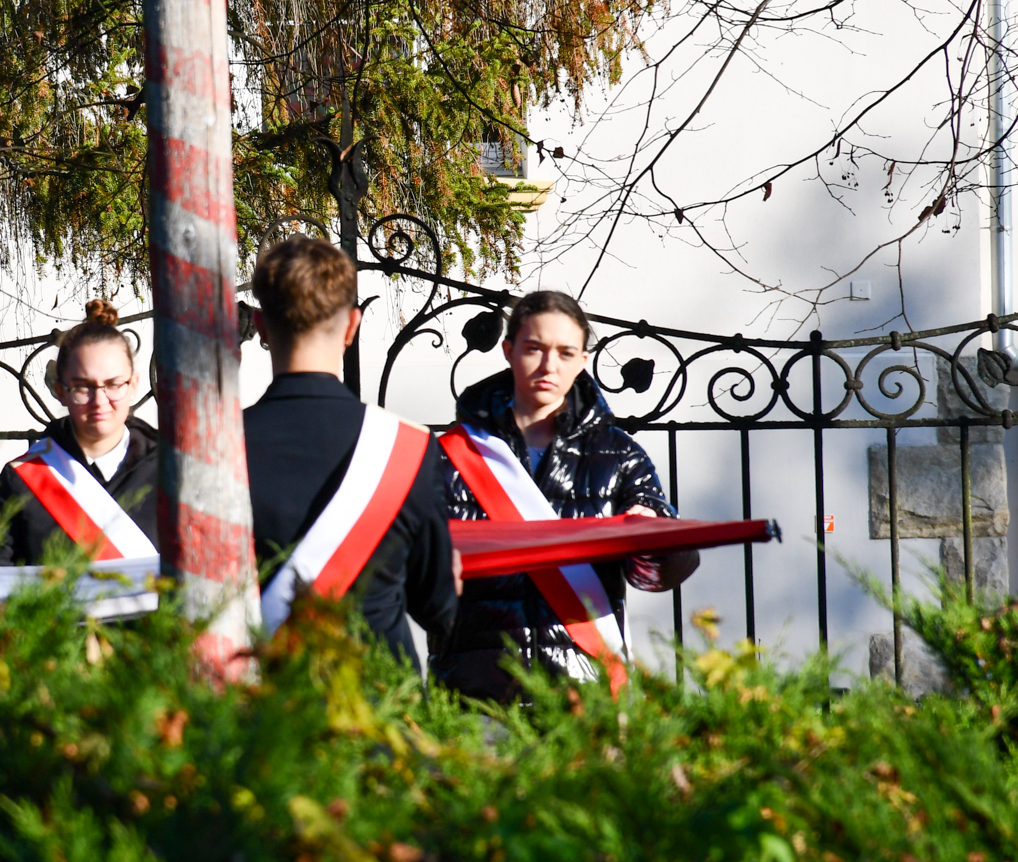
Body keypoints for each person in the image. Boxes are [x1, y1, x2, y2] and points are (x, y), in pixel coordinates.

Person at [435, 290, 698, 702]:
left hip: (586, 693)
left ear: (583, 360)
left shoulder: (620, 456)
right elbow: (405, 571)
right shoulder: (450, 456)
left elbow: (657, 576)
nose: (549, 366)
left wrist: (655, 539)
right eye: (534, 349)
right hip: (476, 695)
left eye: (565, 352)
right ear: (508, 351)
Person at [243, 235, 457, 667]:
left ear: (261, 326)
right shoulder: (407, 447)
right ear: (351, 326)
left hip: (260, 694)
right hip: (381, 693)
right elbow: (437, 608)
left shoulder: (216, 448)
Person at [0, 300, 158, 568]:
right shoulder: (21, 480)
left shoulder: (172, 471)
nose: (99, 401)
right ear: (60, 391)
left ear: (133, 386)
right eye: (83, 387)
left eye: (113, 384)